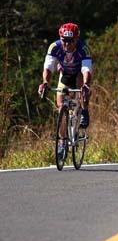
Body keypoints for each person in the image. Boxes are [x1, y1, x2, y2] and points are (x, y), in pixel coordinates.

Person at [38, 23, 92, 158]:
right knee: (61, 106)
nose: (67, 44)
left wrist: (86, 85)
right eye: (64, 41)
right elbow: (48, 67)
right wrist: (45, 82)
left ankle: (84, 110)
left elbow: (86, 69)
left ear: (76, 39)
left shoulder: (83, 48)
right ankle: (62, 142)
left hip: (79, 73)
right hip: (65, 74)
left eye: (70, 41)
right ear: (60, 38)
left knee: (82, 88)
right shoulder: (54, 47)